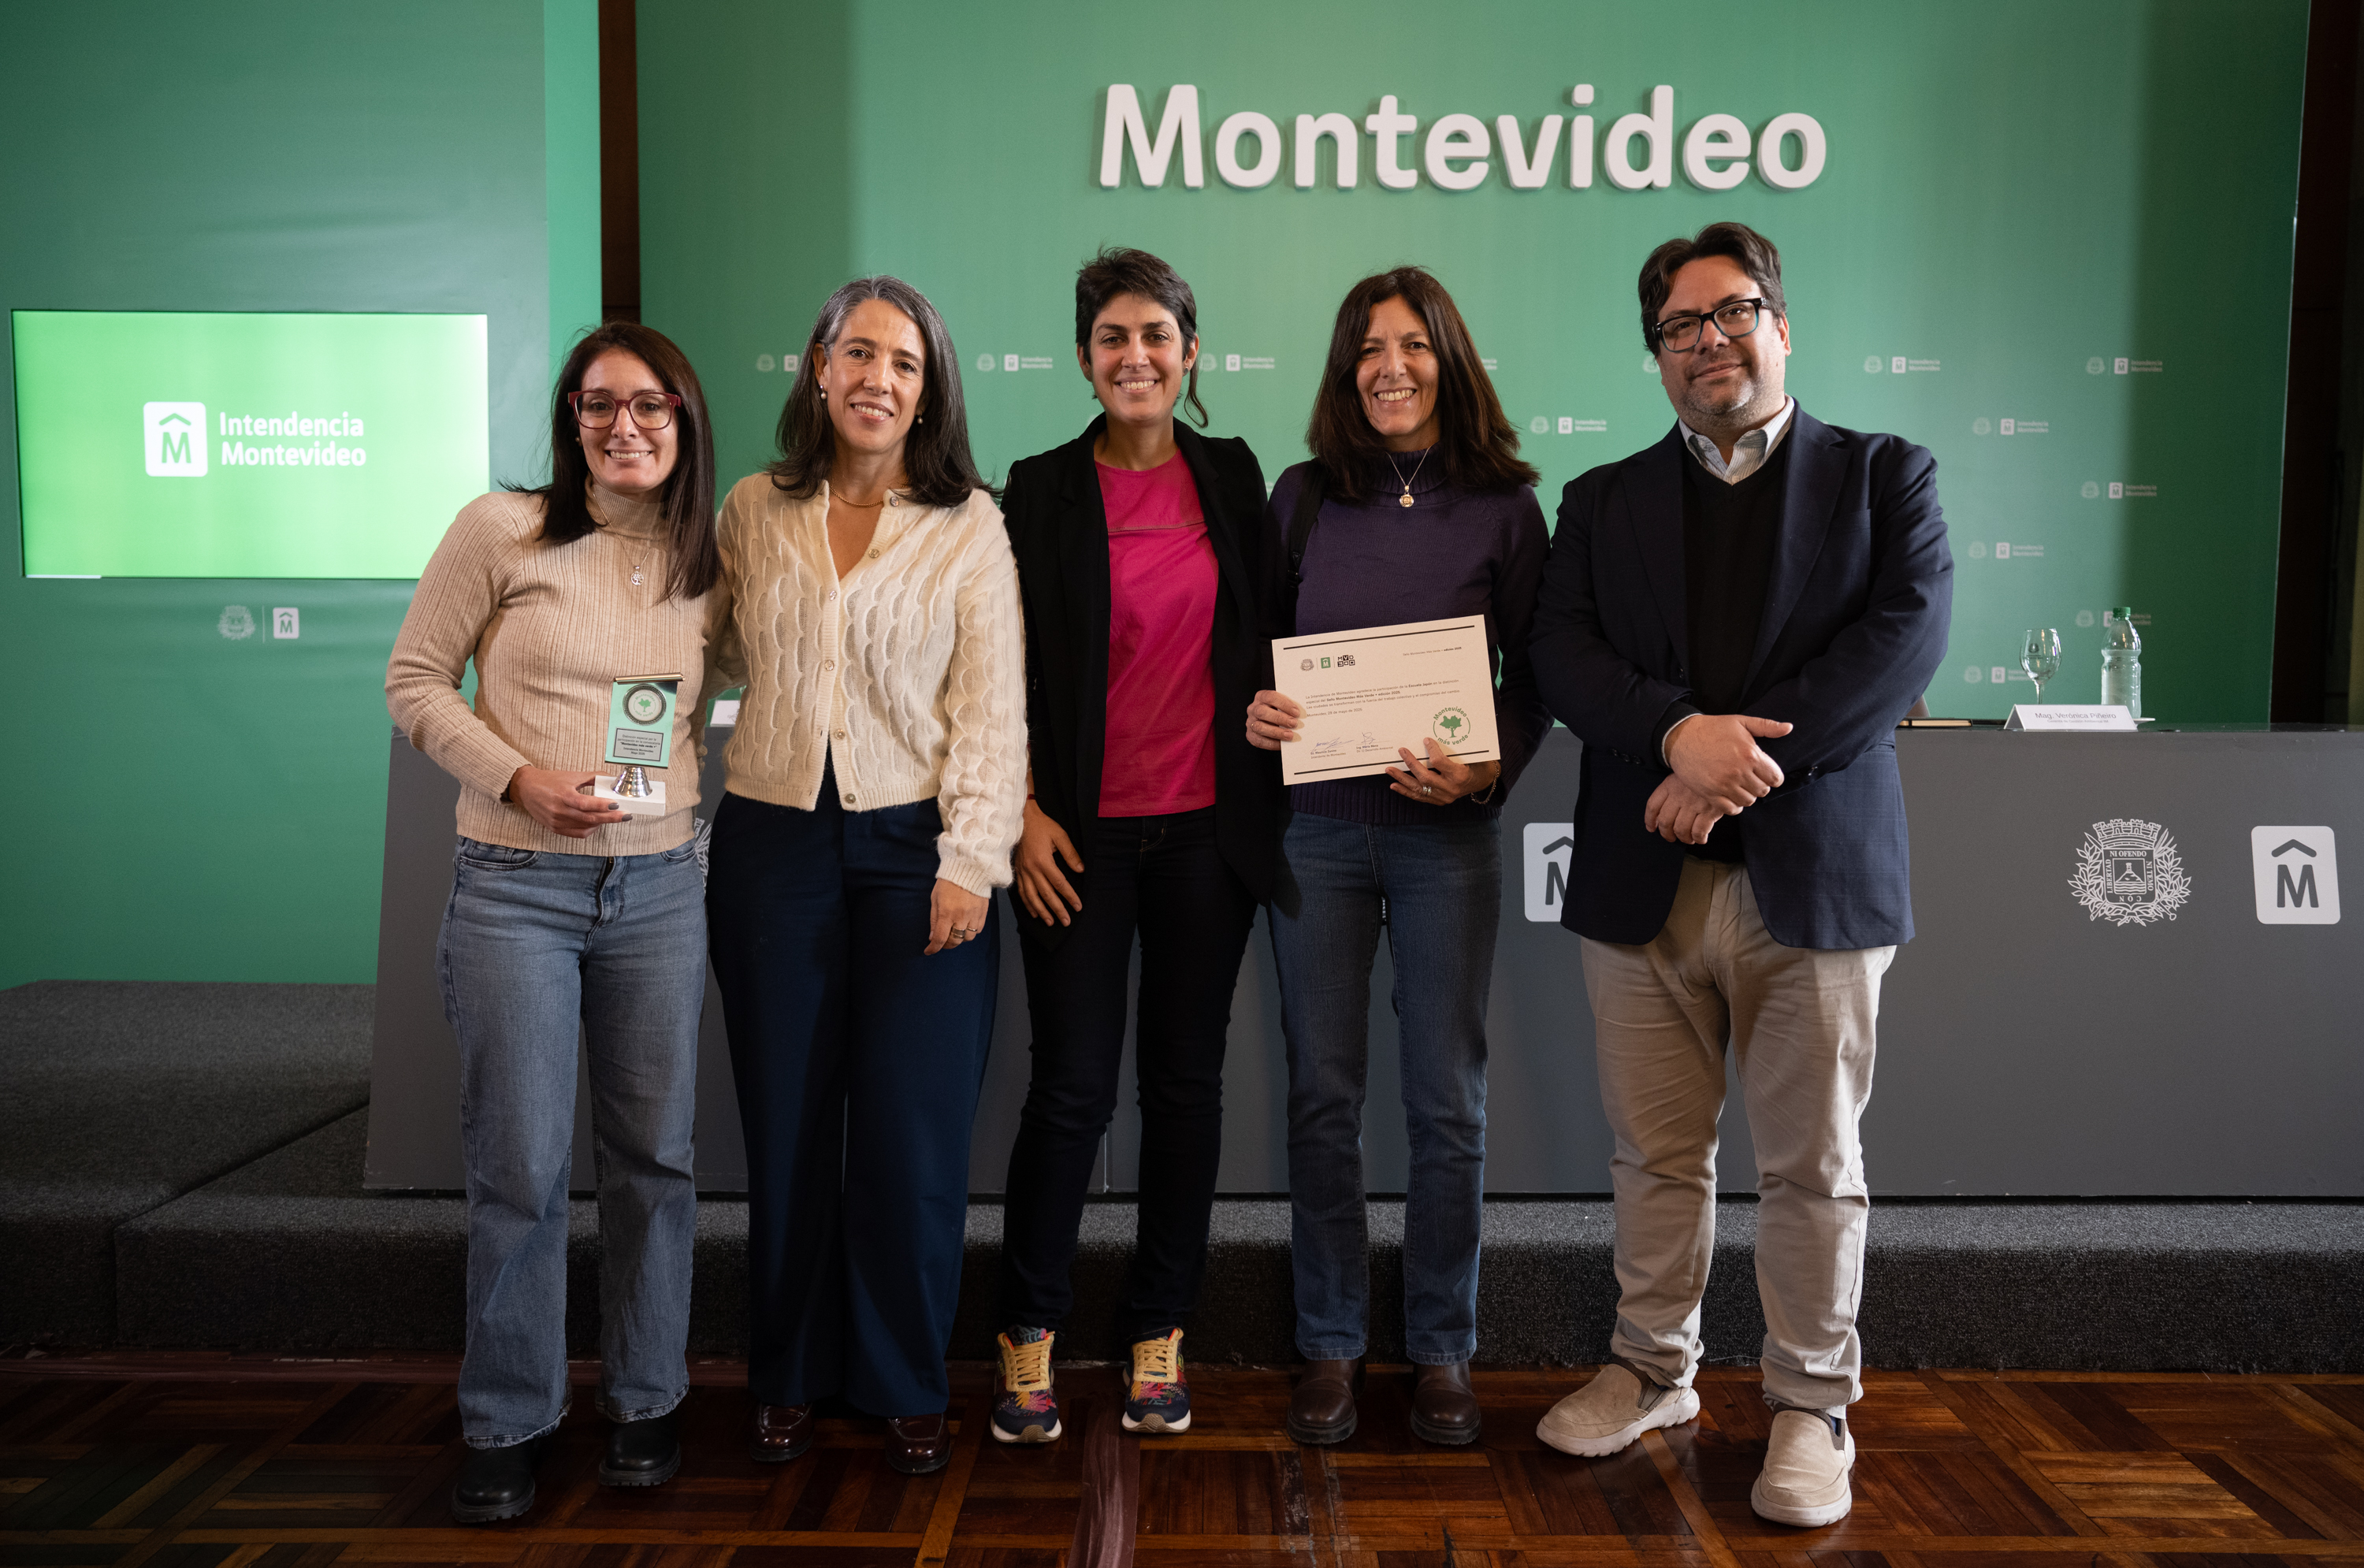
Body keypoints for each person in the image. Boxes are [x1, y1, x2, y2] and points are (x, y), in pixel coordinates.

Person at [1526, 222, 1952, 1527]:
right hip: (1643, 886)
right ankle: (1654, 1368)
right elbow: (1563, 653)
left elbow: (1901, 644)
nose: (1707, 340)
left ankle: (1813, 1403)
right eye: (1679, 326)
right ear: (1655, 354)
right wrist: (1675, 735)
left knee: (1814, 1165)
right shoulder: (1601, 501)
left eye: (1732, 312)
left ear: (1780, 325)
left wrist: (1727, 769)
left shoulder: (1884, 476)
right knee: (1656, 1157)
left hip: (1811, 883)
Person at [385, 321, 723, 1522]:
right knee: (520, 1166)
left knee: (655, 1160)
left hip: (660, 889)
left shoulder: (708, 556)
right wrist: (517, 776)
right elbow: (414, 680)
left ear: (685, 418)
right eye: (599, 404)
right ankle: (509, 1415)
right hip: (515, 886)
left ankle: (646, 1398)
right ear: (571, 419)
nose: (624, 425)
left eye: (650, 405)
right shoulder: (502, 529)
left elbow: (735, 688)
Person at [705, 275, 1024, 1477]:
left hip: (918, 854)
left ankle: (901, 1376)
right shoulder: (753, 507)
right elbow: (695, 655)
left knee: (911, 1135)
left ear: (928, 389)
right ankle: (788, 1372)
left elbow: (991, 712)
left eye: (903, 361)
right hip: (772, 842)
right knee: (787, 1128)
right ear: (818, 365)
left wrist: (970, 862)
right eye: (857, 353)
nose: (876, 378)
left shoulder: (968, 523)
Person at [1244, 267, 1552, 1447]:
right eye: (1369, 348)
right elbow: (1258, 651)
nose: (1391, 367)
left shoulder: (1506, 508)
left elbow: (1537, 680)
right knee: (1324, 1097)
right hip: (1317, 834)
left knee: (1446, 1104)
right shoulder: (1304, 497)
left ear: (1448, 358)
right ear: (1345, 369)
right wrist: (1260, 707)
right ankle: (1329, 1342)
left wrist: (1489, 768)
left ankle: (1441, 1348)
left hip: (1445, 843)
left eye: (1414, 345)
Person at [991, 248, 1281, 1444]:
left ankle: (1160, 1327)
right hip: (1077, 839)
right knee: (1069, 1089)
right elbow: (998, 667)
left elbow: (1274, 635)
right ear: (1083, 358)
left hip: (1208, 834)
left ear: (1191, 352)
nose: (1135, 356)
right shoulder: (1038, 489)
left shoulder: (1235, 475)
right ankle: (1028, 1329)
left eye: (1157, 335)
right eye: (1112, 337)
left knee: (1184, 1085)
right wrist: (1021, 811)